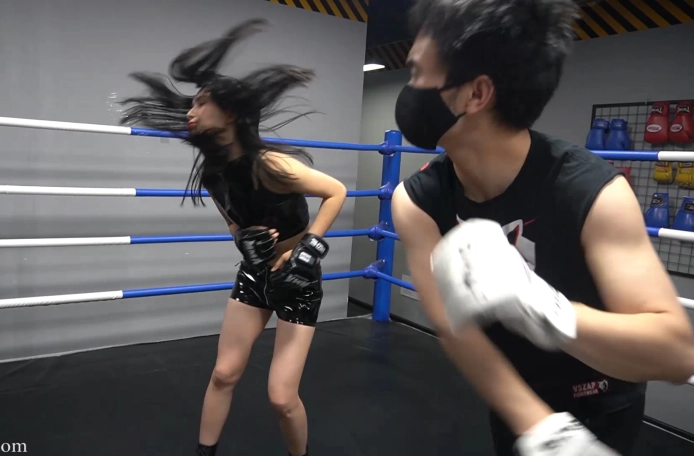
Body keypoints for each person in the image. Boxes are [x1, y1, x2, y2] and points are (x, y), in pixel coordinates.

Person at [390, 1, 694, 455]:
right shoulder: (419, 202)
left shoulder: (591, 191)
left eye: (417, 72)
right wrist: (541, 428)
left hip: (604, 399)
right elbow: (455, 328)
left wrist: (541, 307)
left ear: (475, 94)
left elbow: (676, 353)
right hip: (517, 402)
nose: (409, 88)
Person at [119, 18, 347, 456]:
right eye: (192, 102)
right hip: (254, 276)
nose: (190, 111)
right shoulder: (213, 174)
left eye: (202, 102)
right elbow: (234, 223)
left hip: (298, 282)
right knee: (224, 374)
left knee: (282, 398)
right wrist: (243, 242)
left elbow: (335, 191)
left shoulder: (271, 165)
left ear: (231, 113)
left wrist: (307, 252)